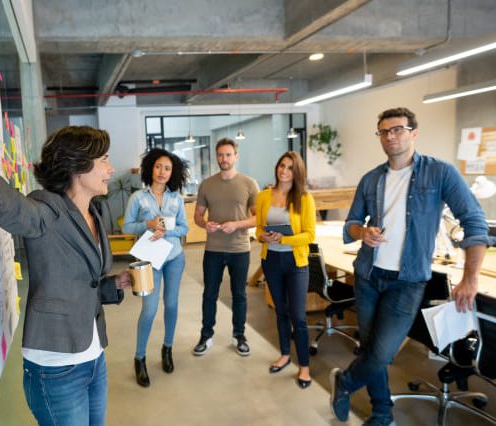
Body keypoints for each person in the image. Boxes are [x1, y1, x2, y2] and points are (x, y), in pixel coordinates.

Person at [0, 101, 131, 426]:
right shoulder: (47, 210)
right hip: (56, 366)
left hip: (92, 354)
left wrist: (114, 284)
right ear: (78, 166)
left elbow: (81, 282)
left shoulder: (94, 212)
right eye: (104, 160)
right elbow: (8, 206)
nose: (111, 169)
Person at [329, 107, 489, 426]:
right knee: (370, 348)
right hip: (369, 276)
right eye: (385, 132)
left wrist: (471, 277)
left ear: (413, 133)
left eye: (398, 129)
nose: (391, 136)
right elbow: (350, 225)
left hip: (407, 282)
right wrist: (363, 231)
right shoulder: (371, 179)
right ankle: (382, 413)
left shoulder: (440, 173)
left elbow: (474, 222)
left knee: (382, 353)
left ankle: (345, 382)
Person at [122, 148, 189, 387]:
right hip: (149, 261)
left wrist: (168, 230)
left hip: (174, 258)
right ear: (151, 168)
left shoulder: (176, 199)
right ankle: (139, 358)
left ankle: (167, 349)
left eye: (168, 168)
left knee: (171, 305)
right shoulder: (137, 198)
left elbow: (184, 229)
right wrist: (147, 224)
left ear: (173, 173)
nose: (162, 172)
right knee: (149, 310)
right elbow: (126, 228)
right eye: (159, 166)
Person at [192, 138, 259, 356]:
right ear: (216, 156)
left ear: (236, 156)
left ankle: (239, 335)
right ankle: (206, 335)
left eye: (228, 155)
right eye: (220, 155)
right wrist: (205, 224)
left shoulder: (249, 184)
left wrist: (237, 225)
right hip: (213, 249)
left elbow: (259, 218)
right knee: (209, 293)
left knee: (239, 294)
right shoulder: (207, 184)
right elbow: (198, 216)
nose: (224, 159)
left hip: (240, 249)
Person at [255, 151, 316, 389]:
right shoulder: (263, 196)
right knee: (280, 310)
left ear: (297, 172)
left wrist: (284, 240)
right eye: (282, 165)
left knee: (298, 317)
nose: (284, 171)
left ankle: (304, 367)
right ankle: (284, 354)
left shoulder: (304, 198)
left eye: (290, 167)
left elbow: (310, 235)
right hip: (271, 260)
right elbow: (259, 227)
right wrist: (261, 236)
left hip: (296, 263)